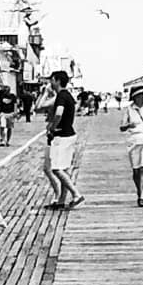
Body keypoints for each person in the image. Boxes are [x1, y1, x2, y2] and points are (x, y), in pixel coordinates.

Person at [45, 69, 81, 209]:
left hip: (62, 136)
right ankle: (61, 201)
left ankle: (76, 194)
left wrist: (52, 127)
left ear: (58, 80)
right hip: (69, 134)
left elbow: (59, 113)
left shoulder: (61, 96)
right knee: (63, 169)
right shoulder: (68, 96)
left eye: (52, 80)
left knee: (56, 169)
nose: (50, 82)